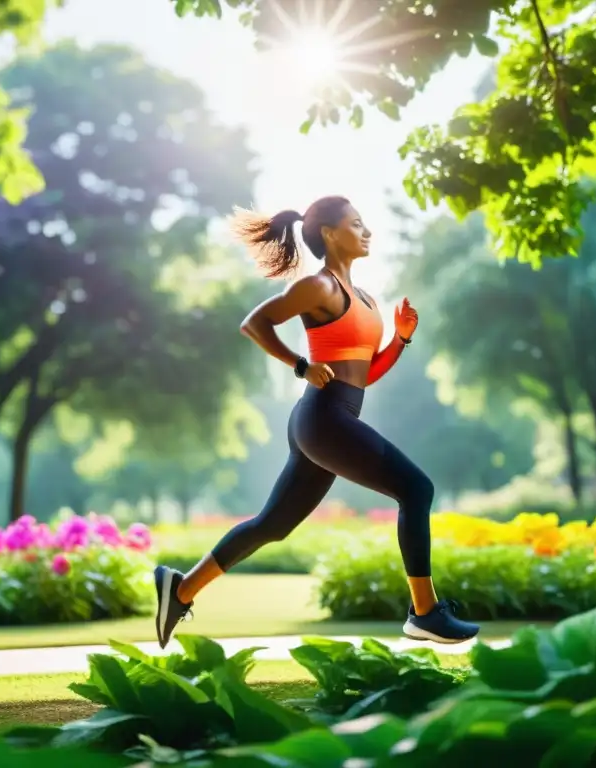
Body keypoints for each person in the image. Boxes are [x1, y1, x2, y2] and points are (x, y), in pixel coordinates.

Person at [153, 195, 480, 648]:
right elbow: (255, 323)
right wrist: (300, 364)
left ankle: (180, 588)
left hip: (333, 417)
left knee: (273, 525)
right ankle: (425, 613)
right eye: (357, 223)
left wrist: (400, 340)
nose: (367, 232)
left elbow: (365, 375)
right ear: (329, 233)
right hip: (322, 417)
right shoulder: (319, 286)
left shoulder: (364, 298)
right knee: (416, 489)